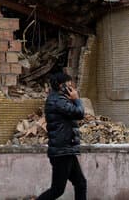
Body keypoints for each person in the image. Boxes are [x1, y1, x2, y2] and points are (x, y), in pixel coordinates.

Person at [35, 71, 87, 200]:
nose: (71, 87)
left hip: (66, 150)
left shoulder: (60, 99)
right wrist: (76, 99)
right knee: (57, 190)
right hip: (61, 151)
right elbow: (79, 113)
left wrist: (73, 100)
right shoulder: (57, 100)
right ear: (60, 85)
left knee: (80, 183)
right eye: (68, 84)